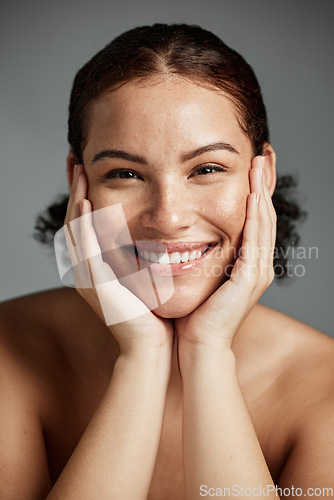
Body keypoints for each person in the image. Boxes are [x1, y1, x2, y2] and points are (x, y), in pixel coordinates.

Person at [1, 23, 333, 499]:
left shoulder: (326, 387)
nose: (168, 217)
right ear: (81, 183)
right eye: (125, 173)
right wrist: (141, 357)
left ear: (262, 177)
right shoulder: (7, 352)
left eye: (207, 169)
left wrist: (207, 352)